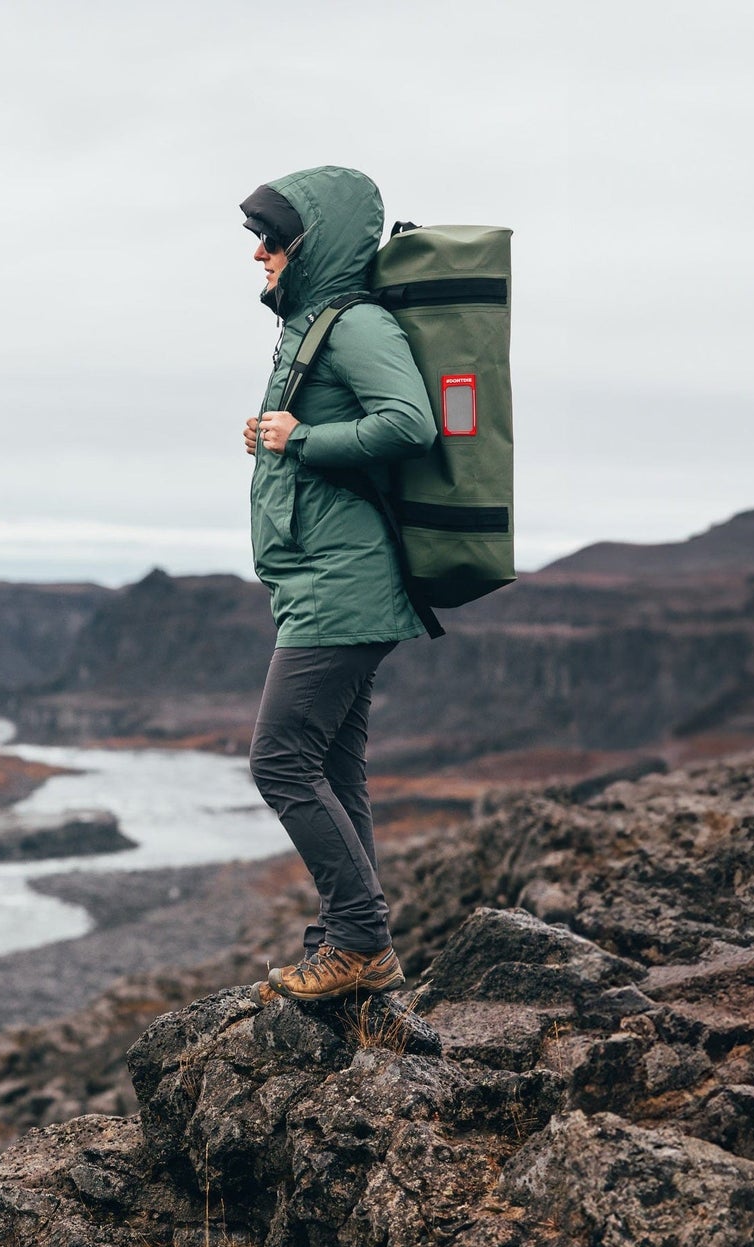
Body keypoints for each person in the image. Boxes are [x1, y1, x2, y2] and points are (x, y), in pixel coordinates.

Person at [239, 165, 436, 1002]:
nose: (259, 255)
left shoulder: (355, 322)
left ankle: (357, 940)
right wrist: (278, 435)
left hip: (344, 583)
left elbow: (409, 421)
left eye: (272, 239)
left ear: (310, 246)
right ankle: (349, 938)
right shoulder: (309, 327)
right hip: (319, 577)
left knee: (279, 760)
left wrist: (302, 439)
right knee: (334, 766)